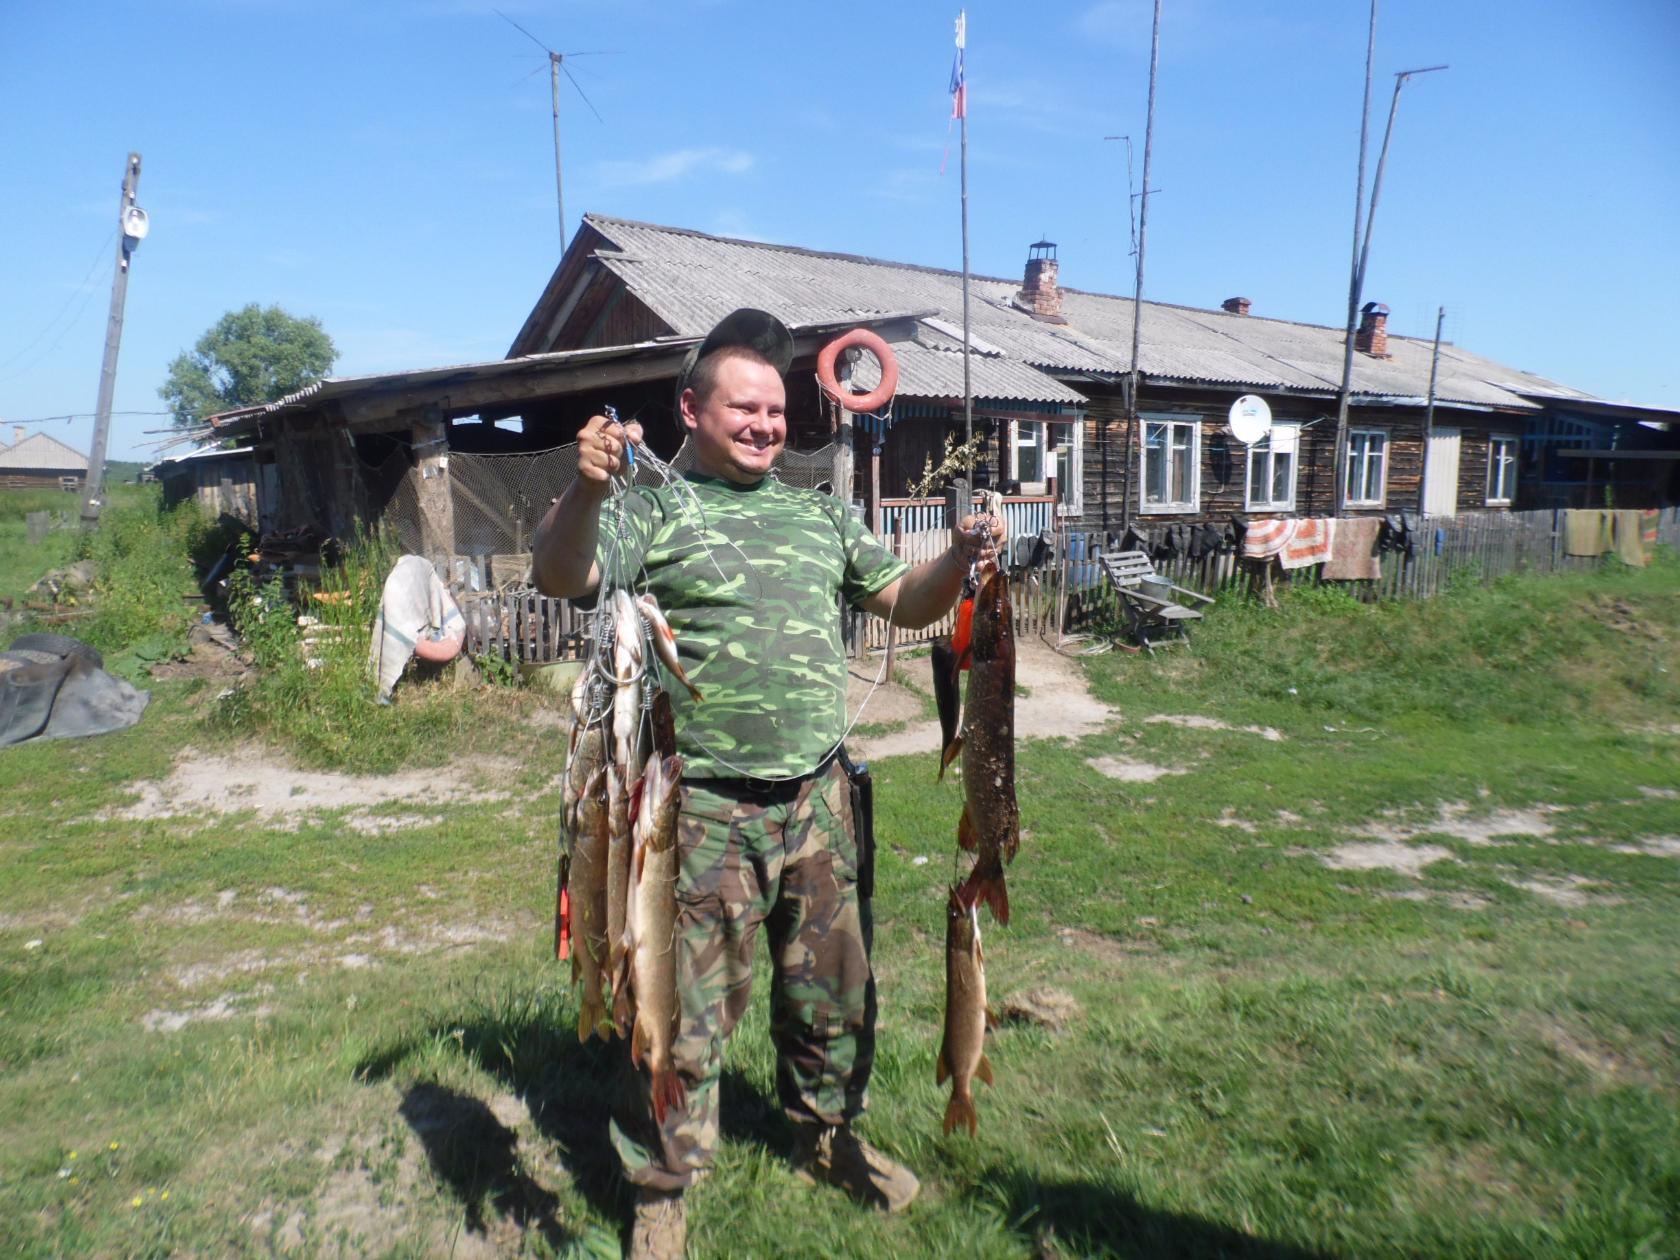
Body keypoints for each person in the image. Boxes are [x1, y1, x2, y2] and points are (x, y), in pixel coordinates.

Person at [532, 309, 1002, 1259]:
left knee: (832, 993)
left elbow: (905, 600)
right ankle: (665, 1183)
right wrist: (582, 491)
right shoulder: (650, 509)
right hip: (697, 811)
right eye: (743, 407)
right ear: (690, 409)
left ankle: (826, 1138)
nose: (764, 425)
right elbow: (558, 571)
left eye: (776, 410)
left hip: (820, 797)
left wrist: (956, 559)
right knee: (683, 1006)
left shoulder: (819, 512)